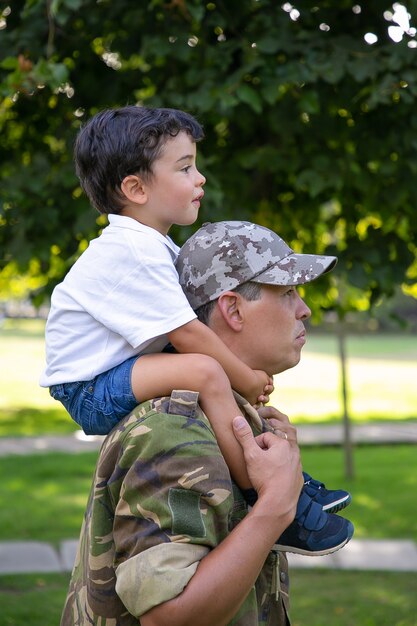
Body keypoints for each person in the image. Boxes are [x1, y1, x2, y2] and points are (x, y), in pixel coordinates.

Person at [40, 106, 351, 556]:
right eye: (185, 167)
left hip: (117, 370)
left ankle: (292, 483)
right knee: (207, 373)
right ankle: (270, 499)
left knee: (213, 382)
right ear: (135, 188)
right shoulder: (133, 249)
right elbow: (187, 334)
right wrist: (245, 375)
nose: (200, 177)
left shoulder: (154, 245)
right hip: (88, 387)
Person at [61, 221, 354, 626]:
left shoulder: (228, 415)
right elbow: (169, 616)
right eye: (287, 292)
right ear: (232, 309)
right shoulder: (173, 428)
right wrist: (276, 505)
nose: (304, 308)